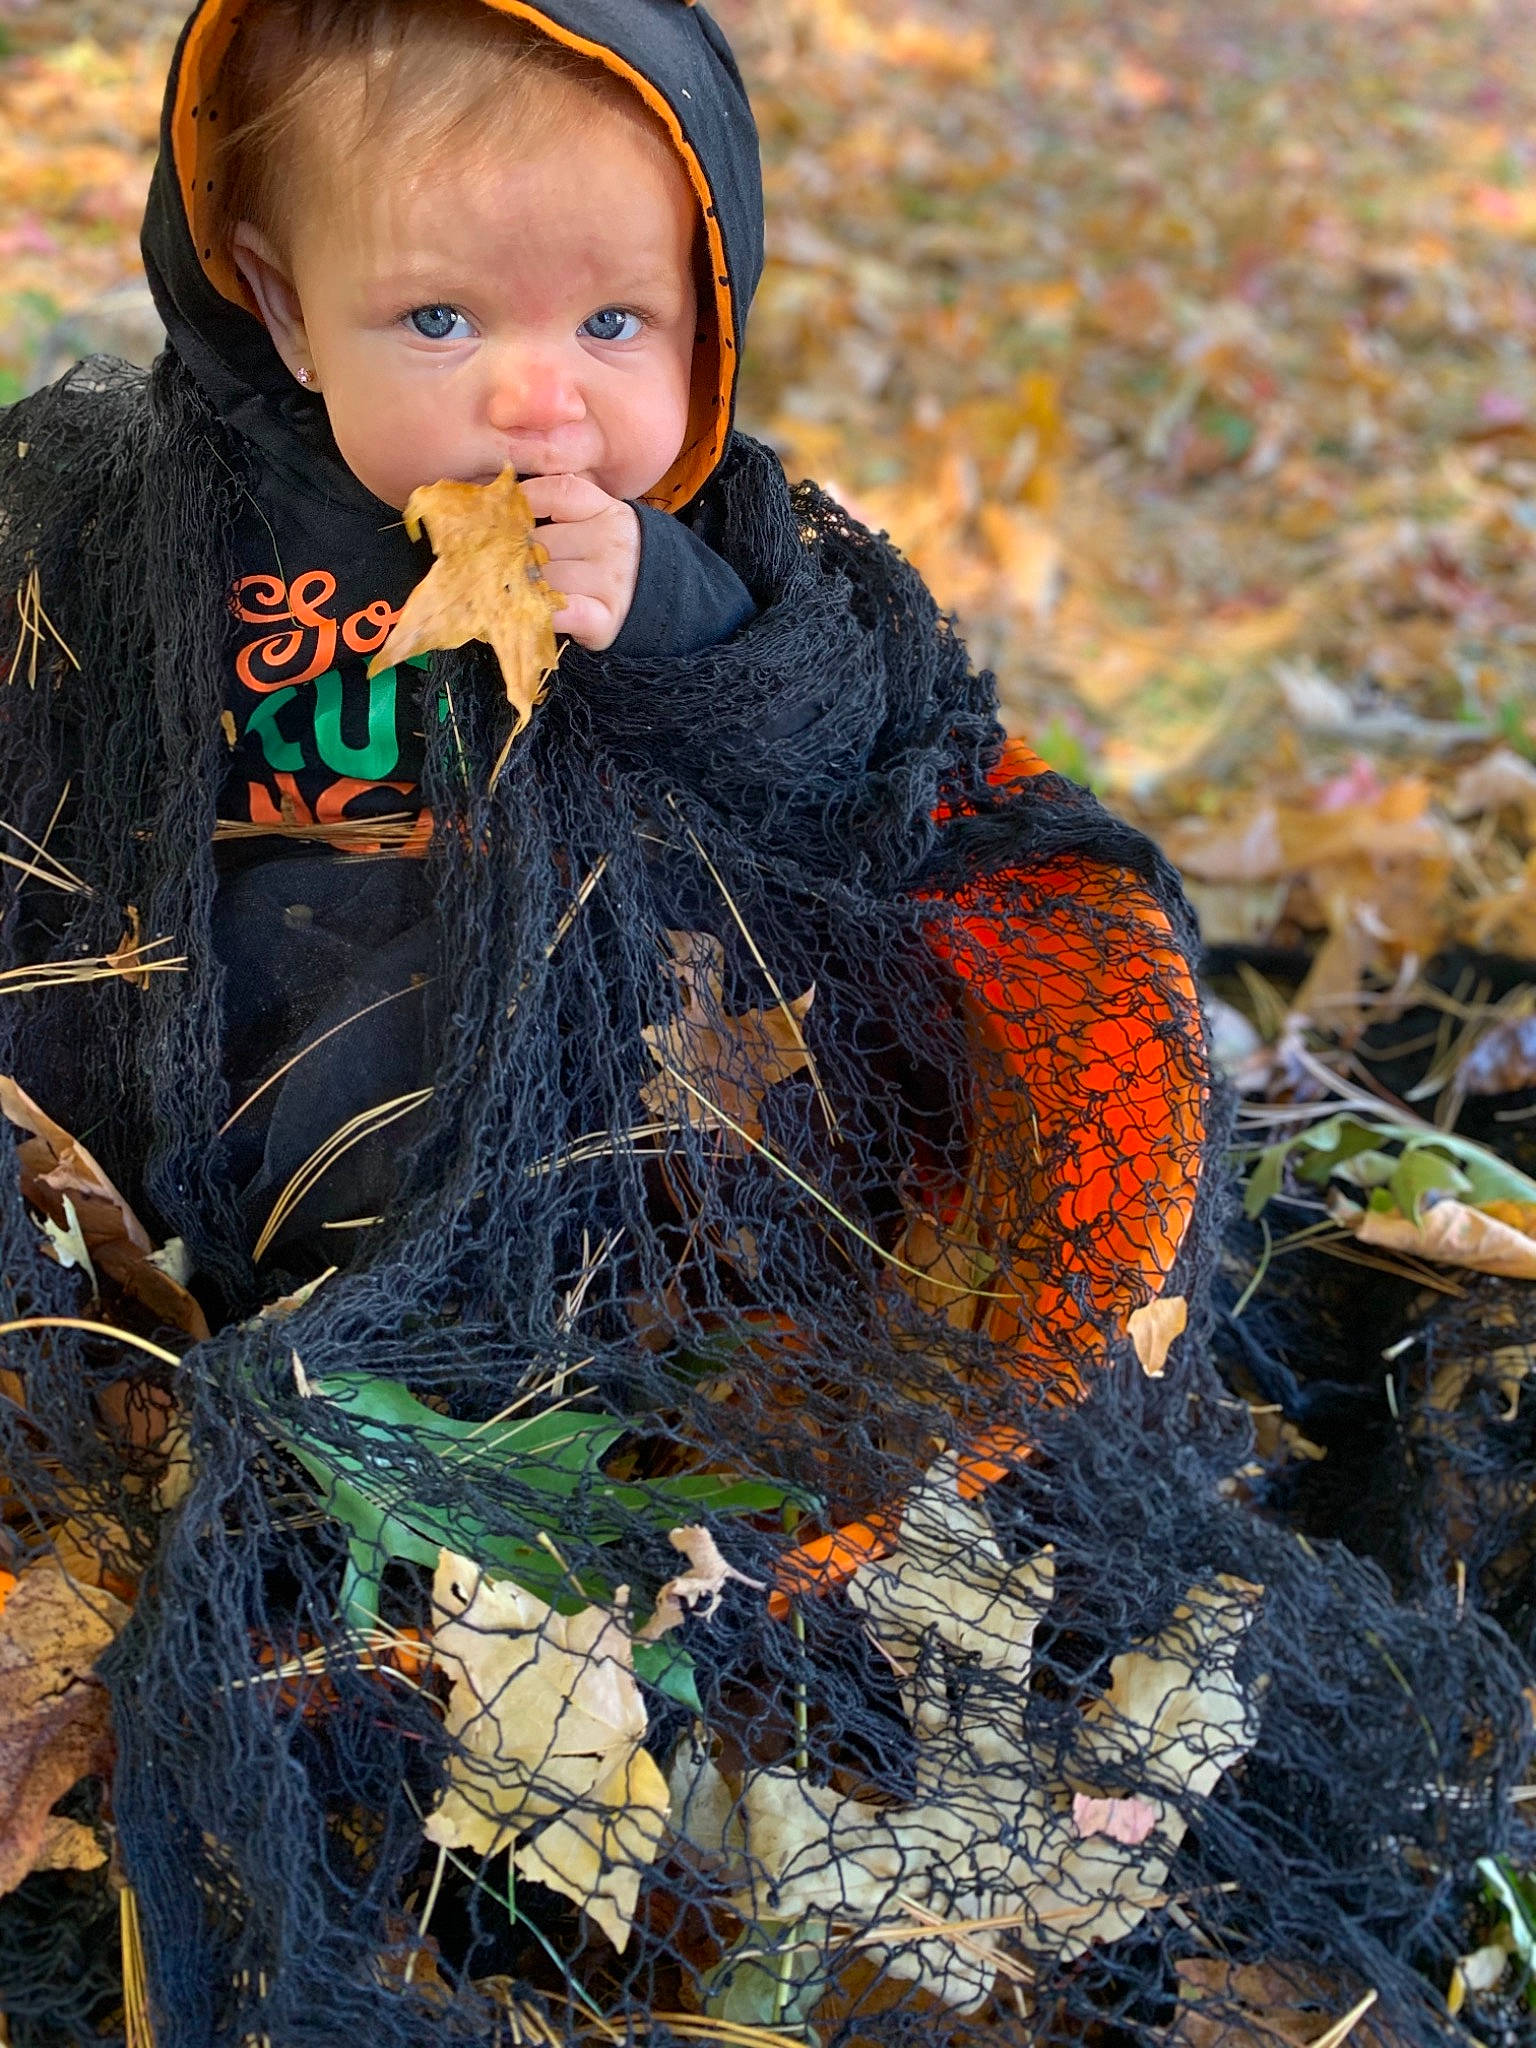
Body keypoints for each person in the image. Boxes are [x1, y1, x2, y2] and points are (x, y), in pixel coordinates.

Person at [0, 0, 1211, 2027]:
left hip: (586, 1178)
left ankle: (542, 1605)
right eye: (439, 321)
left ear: (709, 320)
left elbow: (849, 778)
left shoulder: (720, 553)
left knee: (665, 1272)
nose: (536, 397)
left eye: (617, 326)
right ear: (282, 307)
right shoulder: (147, 534)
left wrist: (678, 629)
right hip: (192, 1117)